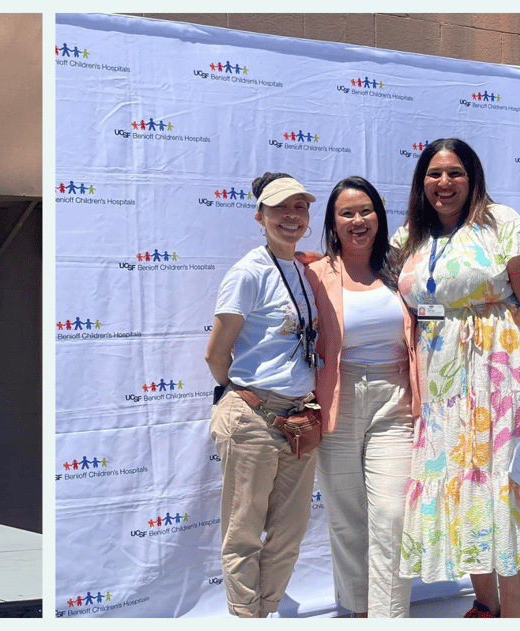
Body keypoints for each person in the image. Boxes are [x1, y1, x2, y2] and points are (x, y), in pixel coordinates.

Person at [393, 139, 520, 617]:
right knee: (462, 484)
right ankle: (485, 604)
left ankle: (511, 616)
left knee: (507, 488)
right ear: (421, 182)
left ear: (472, 178)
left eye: (455, 172)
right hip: (442, 387)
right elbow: (371, 277)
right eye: (434, 174)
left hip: (500, 377)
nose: (444, 183)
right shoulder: (409, 236)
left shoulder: (503, 224)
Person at [205, 172, 320, 618]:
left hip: (298, 419)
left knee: (290, 533)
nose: (291, 216)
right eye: (280, 208)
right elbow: (217, 352)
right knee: (244, 532)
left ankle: (264, 613)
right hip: (253, 416)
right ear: (260, 216)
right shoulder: (249, 273)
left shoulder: (303, 269)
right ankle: (244, 615)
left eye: (299, 207)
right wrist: (240, 394)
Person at [303, 177, 418, 617]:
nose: (358, 220)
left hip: (396, 399)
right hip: (338, 400)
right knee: (346, 517)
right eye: (346, 213)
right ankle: (357, 612)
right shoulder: (315, 274)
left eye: (366, 211)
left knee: (393, 516)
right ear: (333, 222)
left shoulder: (400, 268)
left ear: (379, 217)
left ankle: (390, 618)